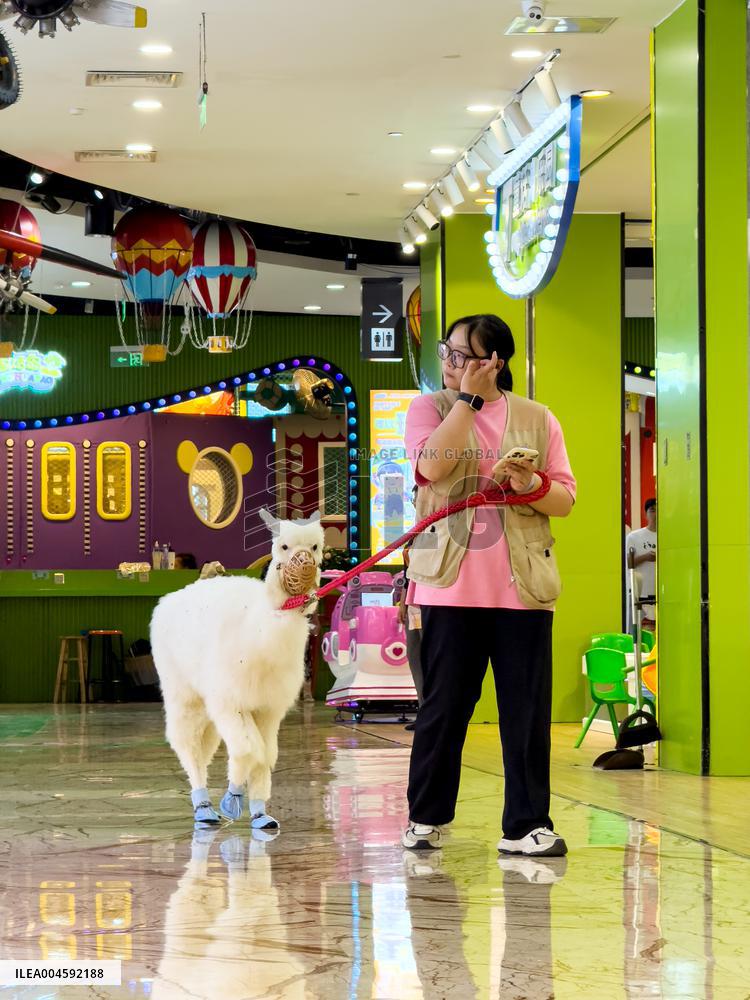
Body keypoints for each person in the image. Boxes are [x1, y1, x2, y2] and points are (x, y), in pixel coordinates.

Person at [401, 314, 576, 857]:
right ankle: (426, 818)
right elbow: (431, 468)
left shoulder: (537, 418)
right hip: (447, 586)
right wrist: (468, 402)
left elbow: (565, 499)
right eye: (448, 353)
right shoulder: (429, 409)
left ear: (495, 362)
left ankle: (526, 825)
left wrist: (532, 483)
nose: (451, 364)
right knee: (444, 708)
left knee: (526, 713)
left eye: (464, 356)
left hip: (522, 590)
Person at [398, 535, 422, 730]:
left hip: (429, 604)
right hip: (413, 605)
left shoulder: (433, 534)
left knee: (430, 660)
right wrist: (403, 603)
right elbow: (408, 576)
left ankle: (431, 713)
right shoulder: (414, 538)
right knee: (415, 657)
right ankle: (423, 709)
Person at [626, 498, 657, 630]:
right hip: (640, 595)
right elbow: (628, 562)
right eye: (652, 510)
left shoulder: (668, 537)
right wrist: (645, 557)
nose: (655, 514)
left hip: (660, 594)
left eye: (658, 510)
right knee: (637, 633)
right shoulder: (634, 537)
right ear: (646, 514)